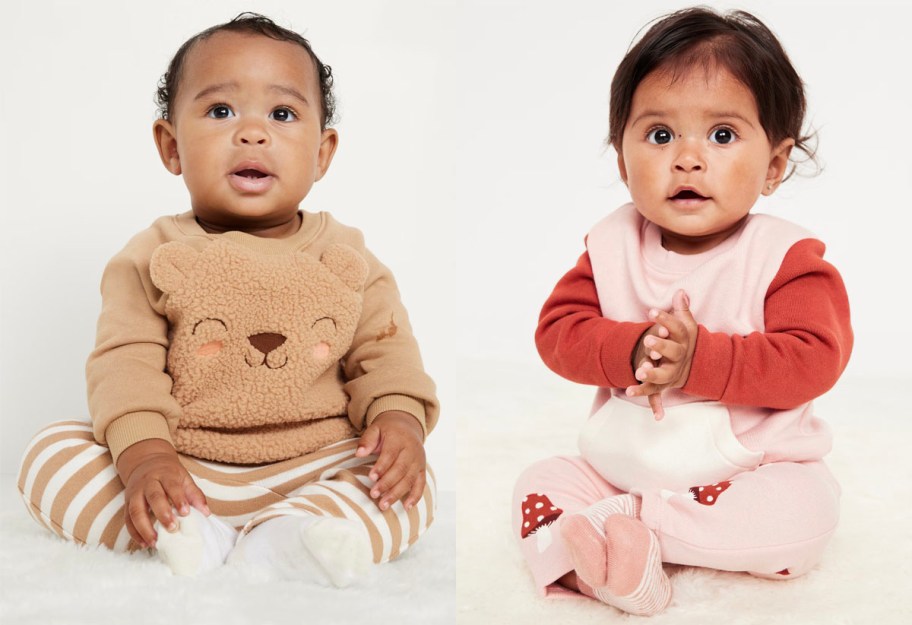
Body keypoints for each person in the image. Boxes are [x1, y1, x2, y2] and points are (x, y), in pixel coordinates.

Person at [17, 13, 439, 586]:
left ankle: (291, 535)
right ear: (171, 146)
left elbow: (388, 359)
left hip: (316, 465)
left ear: (322, 152)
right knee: (50, 455)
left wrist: (400, 424)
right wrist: (145, 459)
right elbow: (125, 367)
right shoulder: (150, 256)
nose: (252, 132)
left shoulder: (349, 259)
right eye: (220, 111)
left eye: (283, 114)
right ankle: (192, 531)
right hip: (183, 467)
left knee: (411, 487)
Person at [513, 7, 852, 616]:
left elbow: (815, 359)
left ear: (774, 165)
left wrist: (702, 359)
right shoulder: (611, 245)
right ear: (622, 161)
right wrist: (634, 348)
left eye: (722, 135)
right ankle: (608, 568)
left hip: (749, 469)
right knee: (539, 482)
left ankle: (633, 526)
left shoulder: (784, 257)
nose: (688, 158)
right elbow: (557, 333)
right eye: (660, 135)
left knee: (806, 514)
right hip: (620, 464)